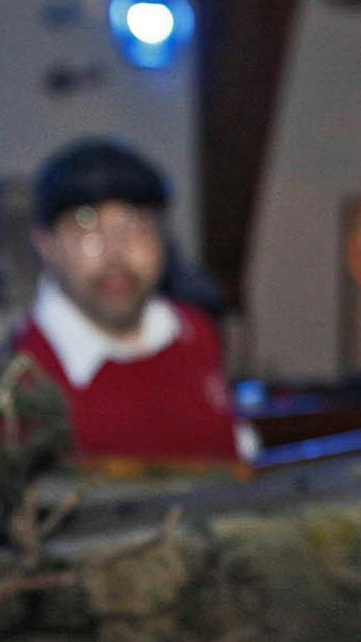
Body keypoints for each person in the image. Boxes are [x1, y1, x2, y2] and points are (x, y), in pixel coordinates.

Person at [15, 138, 256, 467]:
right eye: (86, 224)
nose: (116, 252)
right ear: (47, 244)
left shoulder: (195, 332)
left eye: (136, 222)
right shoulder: (22, 376)